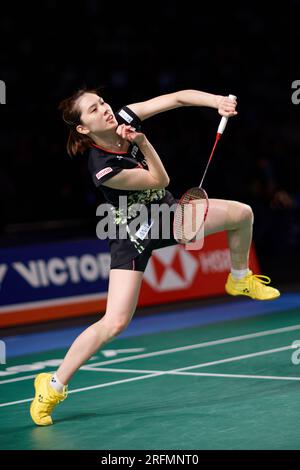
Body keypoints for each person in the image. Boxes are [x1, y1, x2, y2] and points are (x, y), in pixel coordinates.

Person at [30, 88, 280, 426]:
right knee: (115, 322)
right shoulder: (103, 167)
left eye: (102, 102)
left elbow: (177, 99)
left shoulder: (125, 117)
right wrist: (143, 143)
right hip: (130, 235)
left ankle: (239, 279)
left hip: (167, 217)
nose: (105, 109)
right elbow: (160, 178)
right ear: (83, 128)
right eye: (94, 109)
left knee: (242, 214)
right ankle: (52, 386)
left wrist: (216, 102)